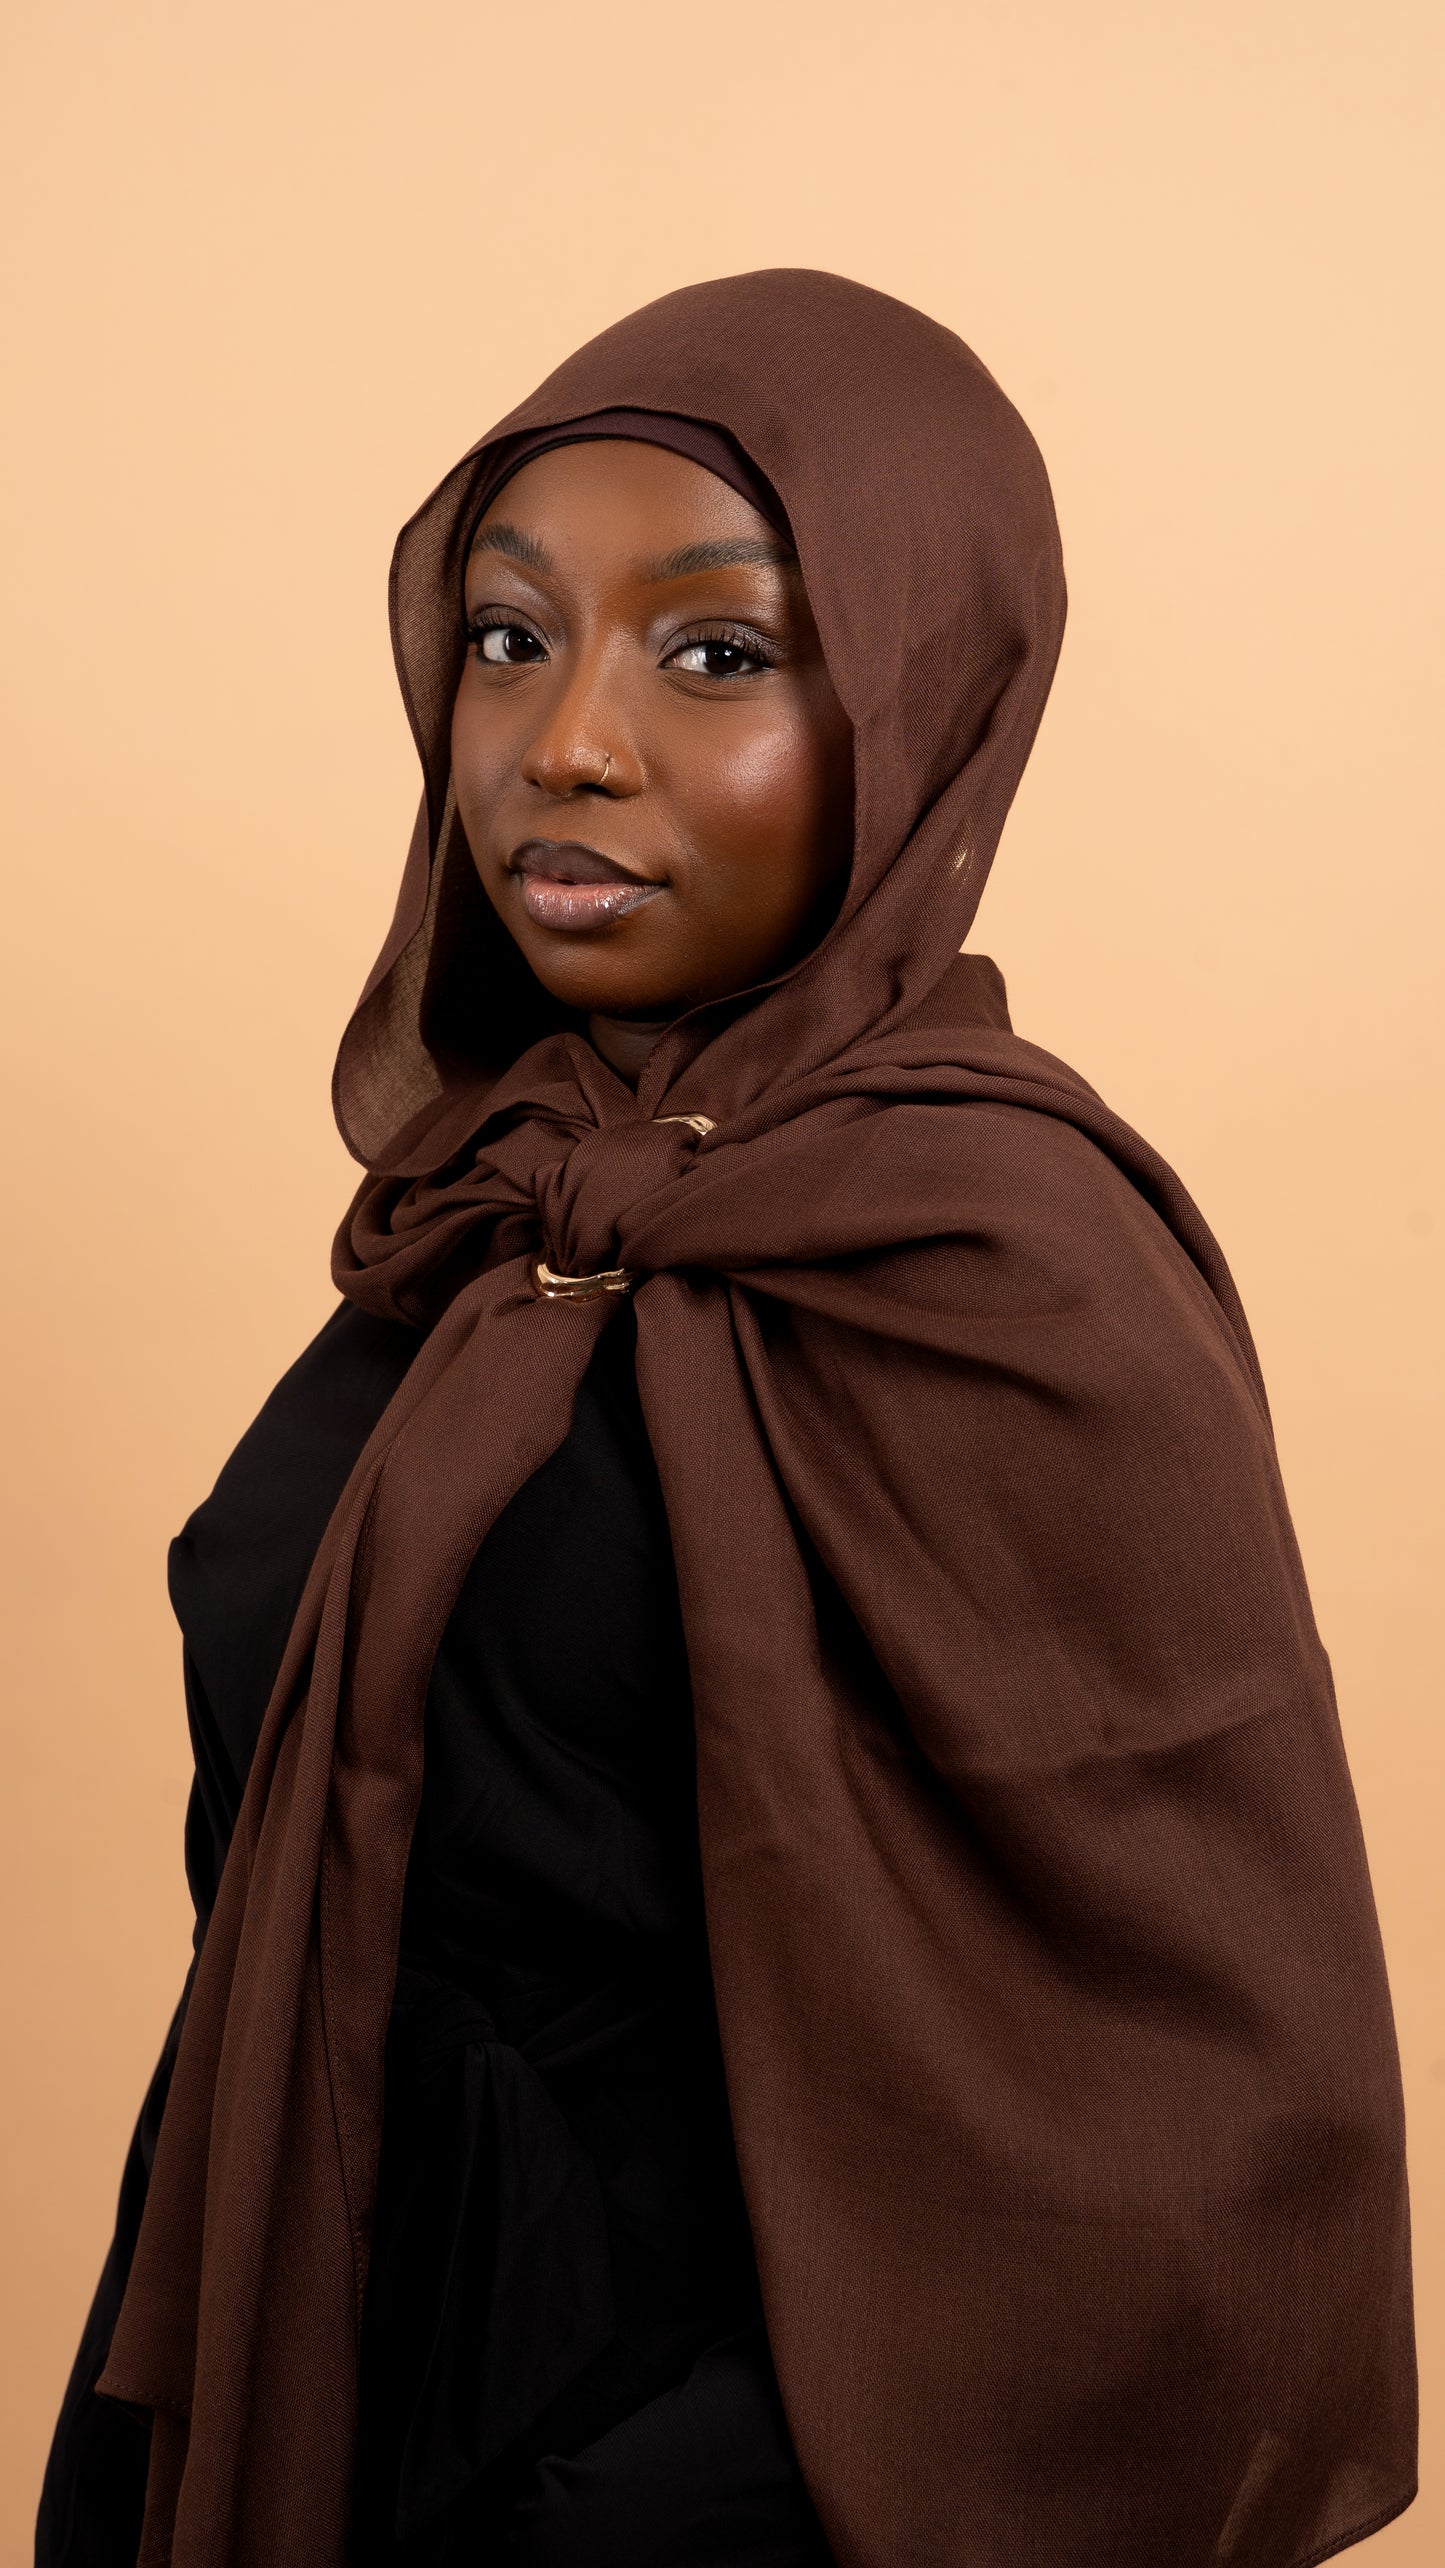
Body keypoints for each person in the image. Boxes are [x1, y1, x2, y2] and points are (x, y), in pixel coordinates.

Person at [38, 270, 1415, 2568]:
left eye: (716, 653)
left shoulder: (1013, 1273)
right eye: (506, 636)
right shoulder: (484, 1232)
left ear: (920, 700)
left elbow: (1195, 2123)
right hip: (302, 2381)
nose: (564, 744)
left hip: (730, 2492)